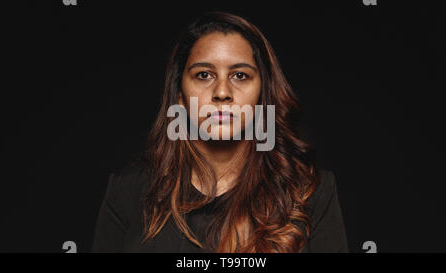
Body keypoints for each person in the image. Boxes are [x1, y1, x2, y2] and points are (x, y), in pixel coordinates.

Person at [92, 11, 348, 253]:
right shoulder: (128, 192)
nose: (222, 92)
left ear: (263, 94)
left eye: (240, 75)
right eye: (204, 75)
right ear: (179, 95)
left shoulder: (311, 191)